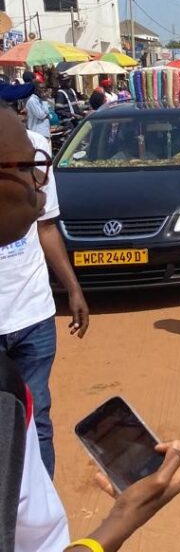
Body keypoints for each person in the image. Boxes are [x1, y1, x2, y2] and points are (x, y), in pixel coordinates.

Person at [0, 104, 89, 479]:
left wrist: (73, 289)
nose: (37, 179)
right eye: (25, 169)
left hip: (33, 315)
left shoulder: (31, 146)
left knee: (36, 420)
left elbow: (47, 227)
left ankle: (40, 502)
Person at [23, 76, 51, 145]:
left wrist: (44, 101)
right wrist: (44, 101)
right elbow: (40, 115)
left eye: (44, 88)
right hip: (38, 133)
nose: (43, 90)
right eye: (41, 88)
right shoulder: (32, 100)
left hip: (45, 132)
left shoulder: (40, 100)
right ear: (35, 89)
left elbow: (47, 112)